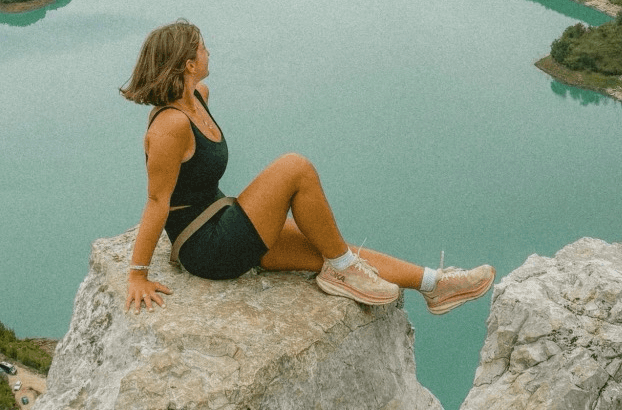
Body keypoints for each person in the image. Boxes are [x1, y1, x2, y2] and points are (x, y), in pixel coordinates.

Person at [120, 19, 495, 315]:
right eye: (203, 49)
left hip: (224, 220)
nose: (209, 52)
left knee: (328, 248)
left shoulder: (198, 97)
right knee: (294, 167)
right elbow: (157, 201)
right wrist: (137, 275)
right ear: (188, 64)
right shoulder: (171, 125)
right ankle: (345, 271)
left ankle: (436, 285)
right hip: (207, 246)